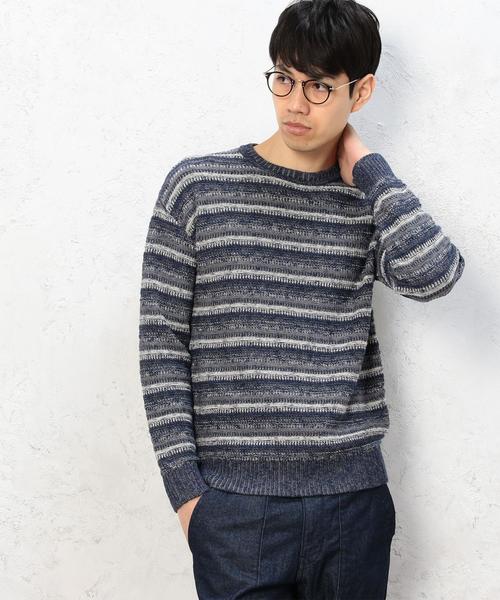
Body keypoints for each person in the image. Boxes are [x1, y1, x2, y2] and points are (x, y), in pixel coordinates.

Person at [138, 1, 466, 598]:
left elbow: (436, 274)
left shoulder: (366, 203)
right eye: (284, 79)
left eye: (319, 87)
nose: (294, 103)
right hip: (234, 509)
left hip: (352, 507)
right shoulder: (198, 188)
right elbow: (162, 347)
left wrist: (370, 170)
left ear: (361, 91)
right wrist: (188, 495)